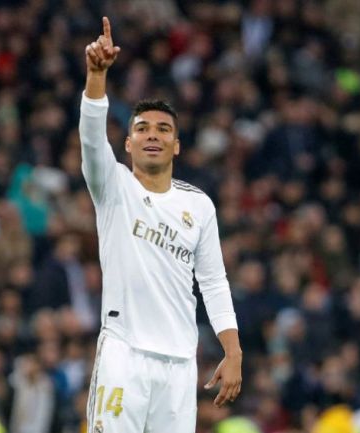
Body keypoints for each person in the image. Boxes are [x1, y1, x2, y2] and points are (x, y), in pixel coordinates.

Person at [79, 17, 242, 433]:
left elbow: (214, 281)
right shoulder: (112, 185)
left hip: (179, 364)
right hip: (124, 354)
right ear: (129, 143)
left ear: (177, 144)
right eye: (142, 129)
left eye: (164, 129)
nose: (153, 135)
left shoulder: (199, 205)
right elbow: (93, 139)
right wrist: (96, 77)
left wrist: (233, 350)